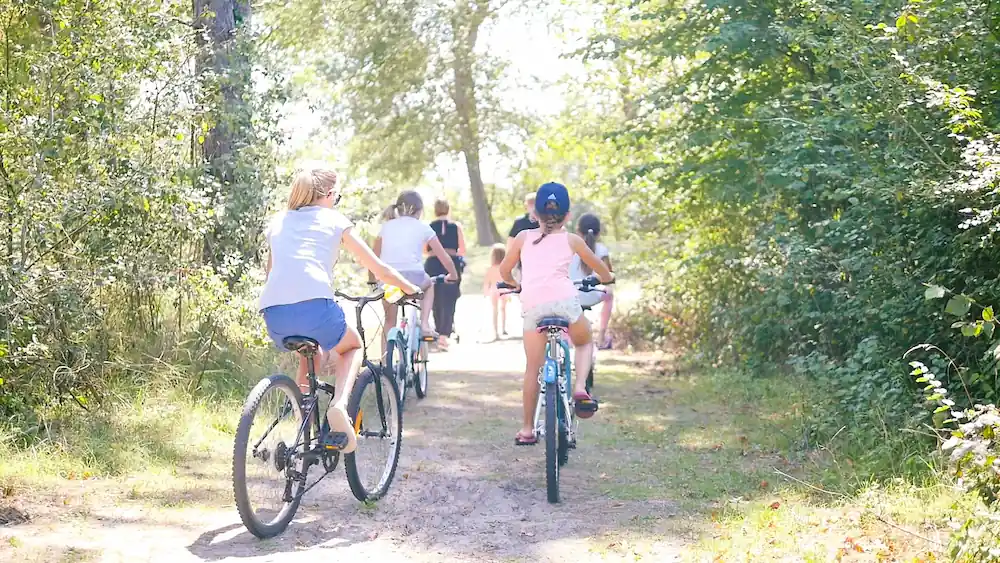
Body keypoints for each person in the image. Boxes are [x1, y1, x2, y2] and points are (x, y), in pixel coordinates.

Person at [259, 165, 421, 454]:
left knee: (312, 355)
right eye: (338, 196)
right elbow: (378, 267)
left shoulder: (279, 221)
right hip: (315, 306)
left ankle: (301, 431)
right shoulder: (334, 220)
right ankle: (339, 407)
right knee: (352, 347)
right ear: (329, 195)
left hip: (274, 312)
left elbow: (271, 273)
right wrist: (411, 289)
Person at [498, 182, 614, 446]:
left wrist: (516, 285)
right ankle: (580, 388)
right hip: (565, 304)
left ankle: (527, 429)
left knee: (532, 369)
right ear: (568, 215)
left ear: (534, 214)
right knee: (584, 341)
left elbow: (505, 271)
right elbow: (602, 271)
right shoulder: (573, 240)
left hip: (533, 307)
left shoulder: (522, 238)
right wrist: (606, 277)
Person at [374, 191, 458, 342]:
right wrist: (453, 274)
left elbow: (373, 256)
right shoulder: (423, 227)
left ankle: (385, 363)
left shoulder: (386, 227)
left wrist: (372, 280)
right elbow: (444, 256)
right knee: (429, 285)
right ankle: (425, 324)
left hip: (389, 280)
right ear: (420, 211)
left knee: (389, 322)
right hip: (414, 279)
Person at [425, 198, 466, 348]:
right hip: (451, 262)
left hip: (433, 263)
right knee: (450, 298)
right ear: (448, 209)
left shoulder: (429, 227)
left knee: (434, 296)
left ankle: (437, 329)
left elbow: (425, 249)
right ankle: (444, 334)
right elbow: (462, 249)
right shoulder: (456, 226)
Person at [570, 213, 614, 349]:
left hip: (571, 295)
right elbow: (608, 276)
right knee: (610, 294)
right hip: (593, 295)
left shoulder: (571, 247)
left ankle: (568, 338)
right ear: (599, 232)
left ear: (578, 231)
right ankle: (601, 334)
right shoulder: (601, 250)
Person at [482, 243, 509, 341]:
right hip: (504, 289)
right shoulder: (505, 267)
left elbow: (486, 282)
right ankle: (504, 328)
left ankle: (496, 331)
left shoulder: (490, 268)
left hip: (494, 290)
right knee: (503, 309)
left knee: (495, 310)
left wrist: (485, 292)